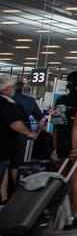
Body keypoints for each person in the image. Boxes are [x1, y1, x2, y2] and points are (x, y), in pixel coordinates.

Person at [51, 71, 77, 230]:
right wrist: (75, 148)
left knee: (62, 178)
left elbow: (57, 125)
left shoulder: (60, 100)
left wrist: (55, 147)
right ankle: (71, 216)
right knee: (76, 179)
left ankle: (58, 213)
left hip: (61, 142)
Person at [0, 75, 40, 204]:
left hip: (8, 145)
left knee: (6, 171)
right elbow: (15, 123)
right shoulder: (9, 103)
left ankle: (4, 198)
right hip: (8, 145)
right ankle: (12, 194)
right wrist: (30, 133)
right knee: (14, 166)